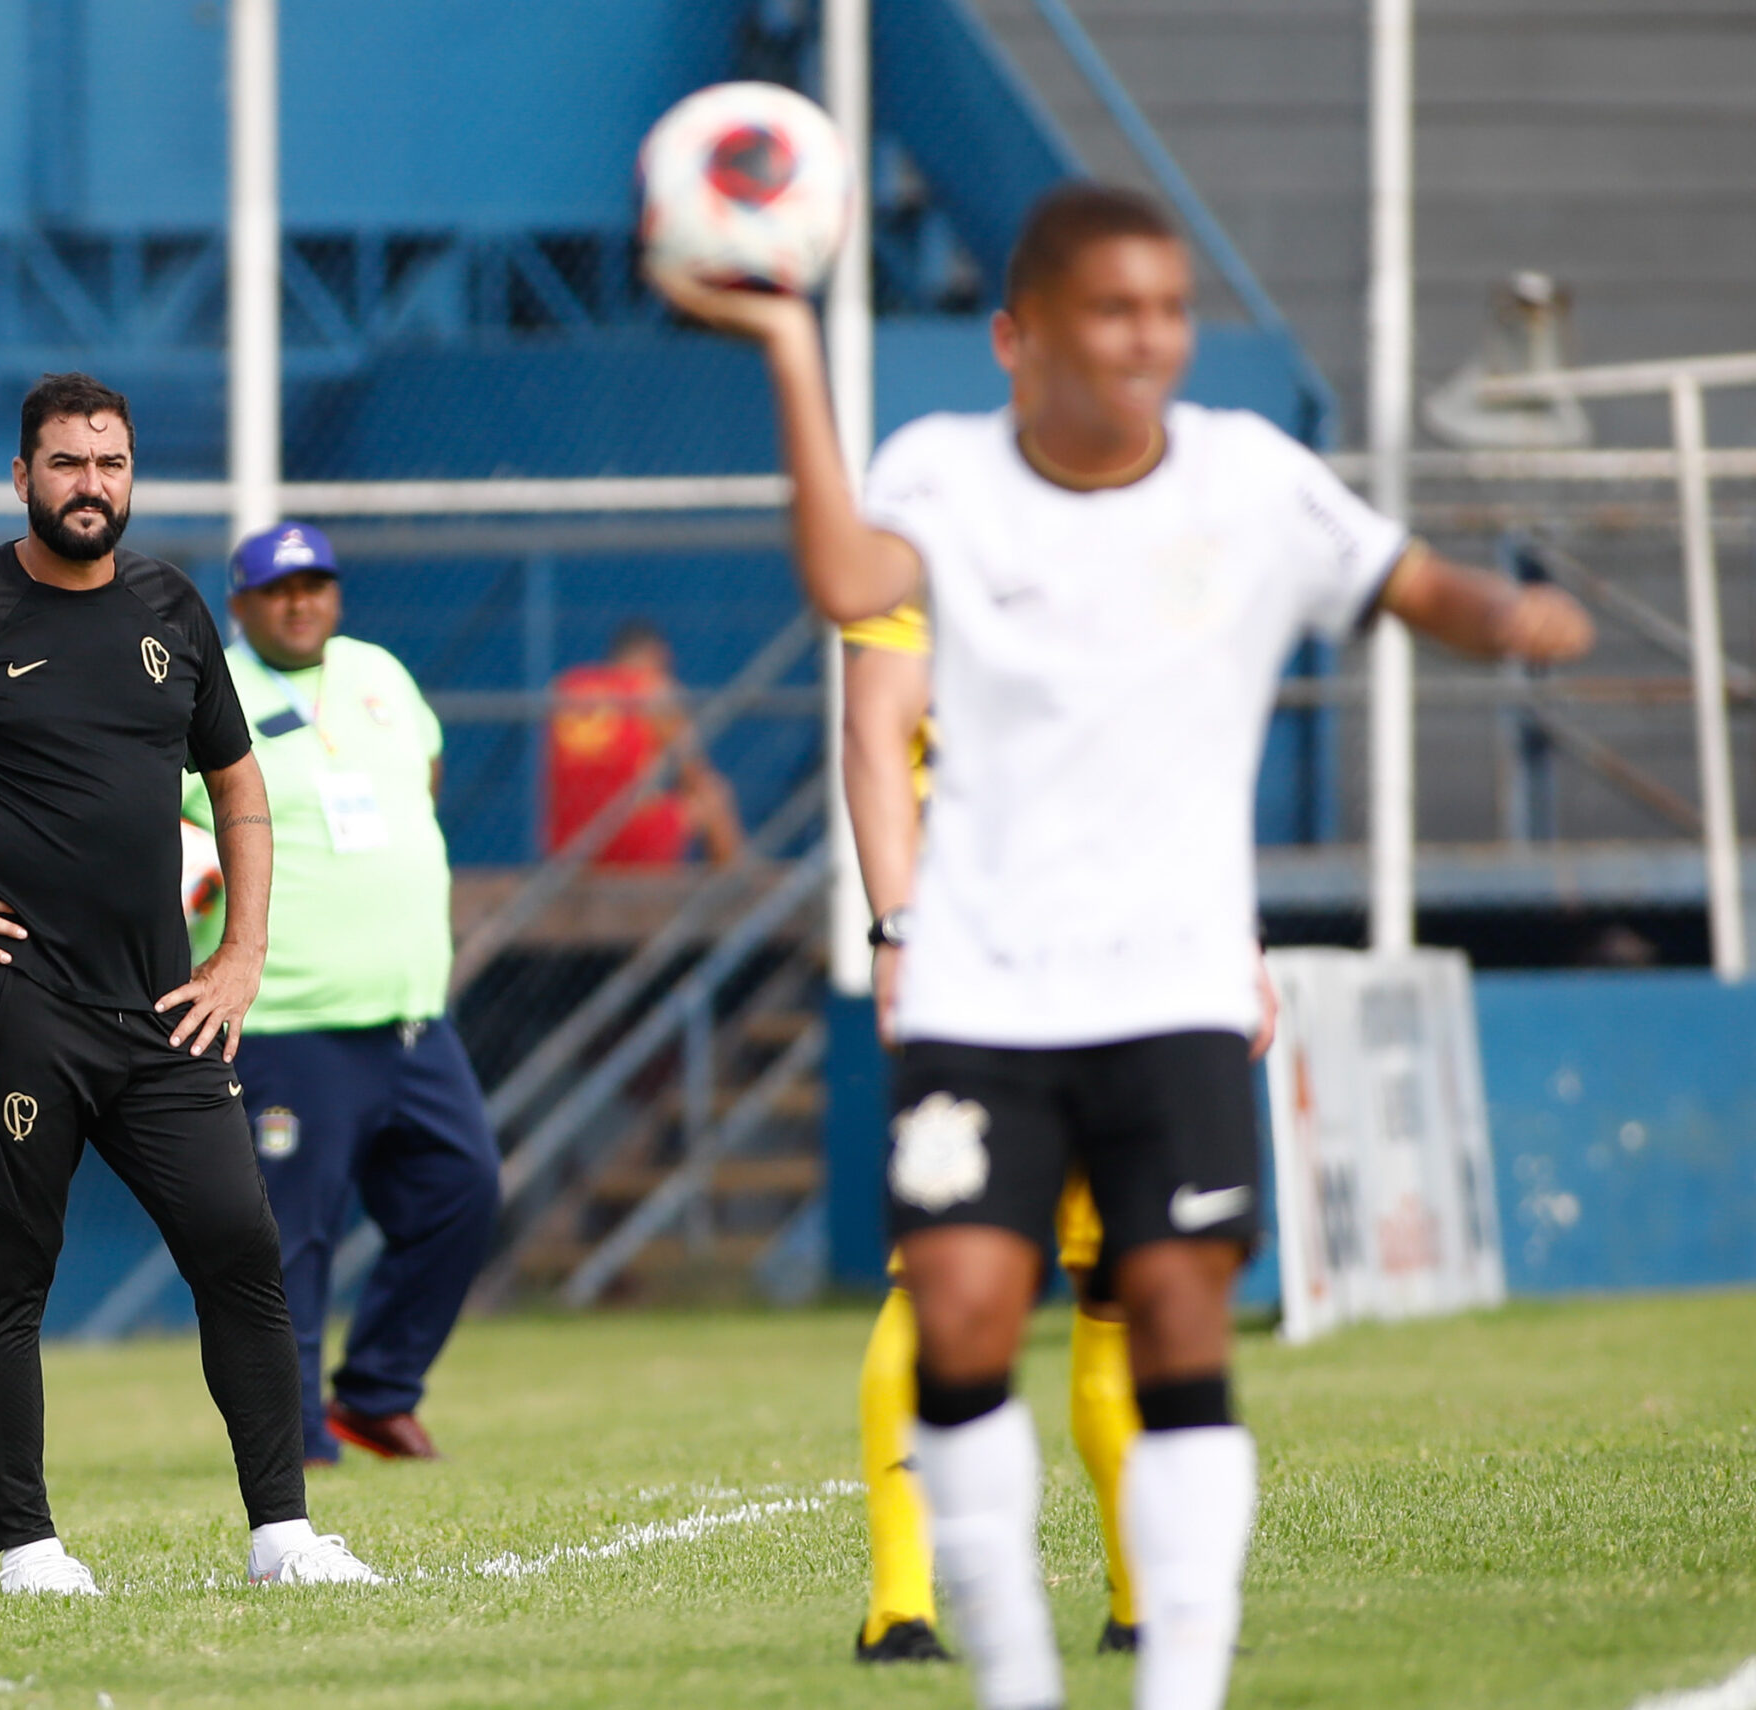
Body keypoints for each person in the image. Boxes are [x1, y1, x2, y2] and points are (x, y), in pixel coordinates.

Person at [653, 184, 1591, 1710]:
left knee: (1170, 1315)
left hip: (1169, 986)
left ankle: (1181, 1681)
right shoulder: (943, 477)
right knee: (955, 1306)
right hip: (981, 983)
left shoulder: (1248, 479)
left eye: (1166, 308)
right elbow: (846, 585)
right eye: (1112, 309)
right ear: (1021, 337)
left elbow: (1415, 583)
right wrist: (785, 348)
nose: (1148, 337)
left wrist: (1514, 618)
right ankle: (1013, 1671)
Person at [0, 372, 380, 1596]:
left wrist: (240, 958)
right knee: (9, 1280)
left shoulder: (173, 606)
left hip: (163, 1011)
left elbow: (240, 791)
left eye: (109, 465)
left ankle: (283, 1537)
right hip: (14, 1009)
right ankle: (28, 1549)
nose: (89, 486)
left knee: (241, 1249)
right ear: (21, 477)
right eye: (65, 464)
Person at [841, 607, 1277, 1665]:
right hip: (982, 985)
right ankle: (902, 1608)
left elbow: (1183, 774)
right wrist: (896, 926)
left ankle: (1141, 1606)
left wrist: (1238, 942)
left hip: (1132, 977)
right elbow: (872, 726)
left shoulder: (1134, 566)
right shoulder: (937, 539)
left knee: (1125, 1290)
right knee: (942, 1282)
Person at [181, 521, 501, 1466]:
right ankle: (296, 1431)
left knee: (465, 1188)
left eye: (315, 583)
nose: (299, 601)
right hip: (286, 1013)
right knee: (294, 1236)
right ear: (239, 605)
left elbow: (425, 781)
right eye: (277, 589)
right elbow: (170, 823)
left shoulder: (379, 674)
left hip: (408, 1014)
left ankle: (375, 1392)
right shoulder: (210, 686)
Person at [544, 621, 744, 865]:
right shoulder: (653, 690)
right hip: (629, 841)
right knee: (714, 794)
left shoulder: (568, 686)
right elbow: (694, 773)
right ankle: (734, 886)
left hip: (567, 846)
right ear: (656, 656)